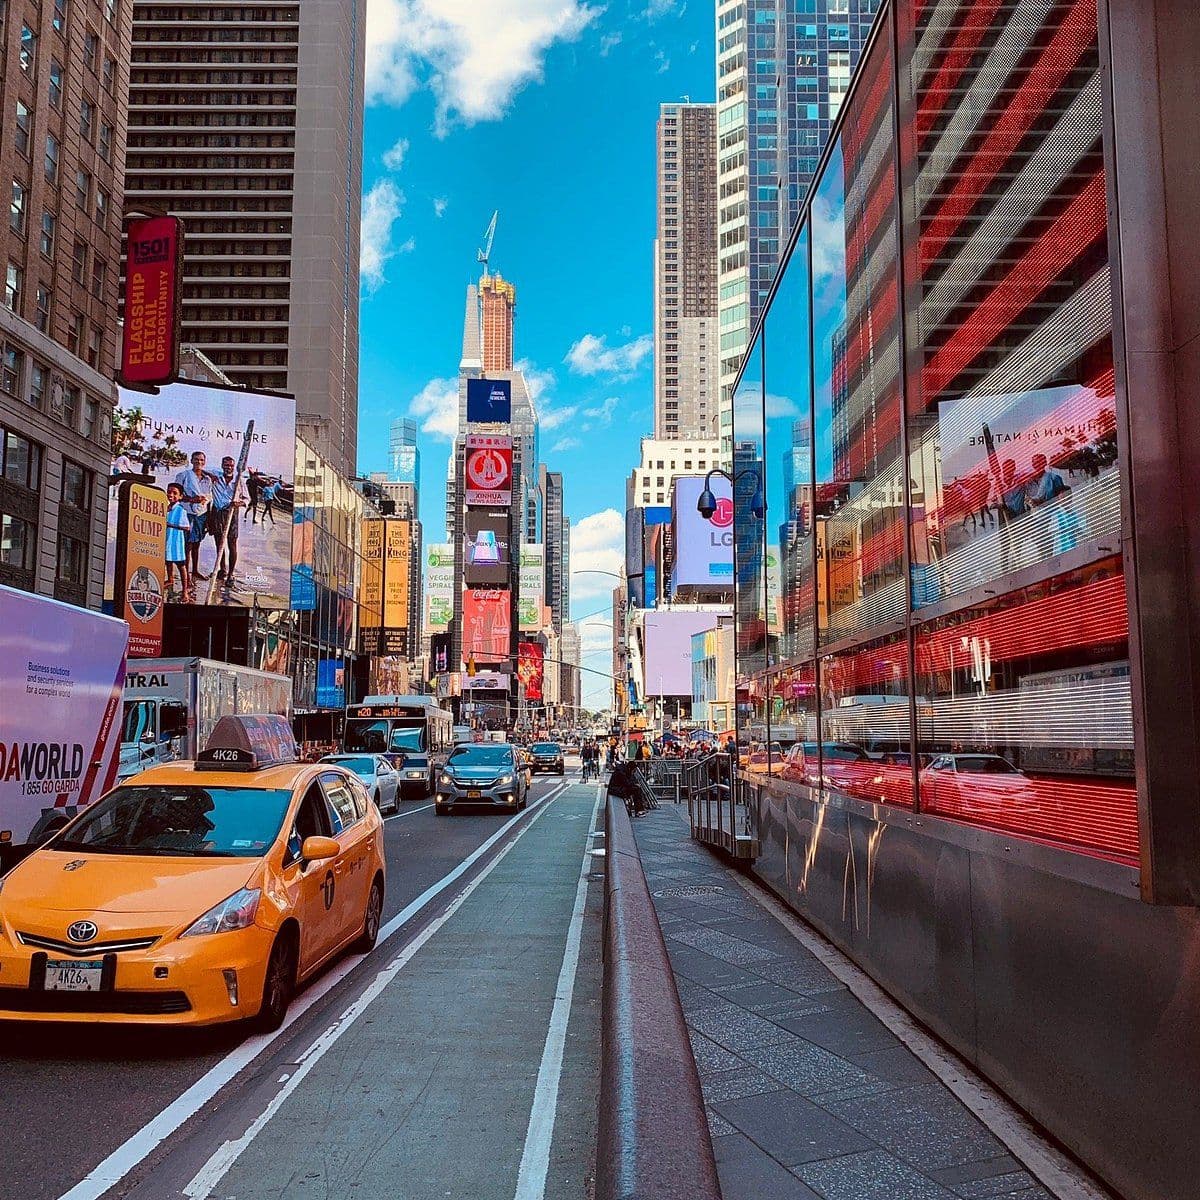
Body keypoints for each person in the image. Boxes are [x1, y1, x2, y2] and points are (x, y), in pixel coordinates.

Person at [206, 456, 250, 584]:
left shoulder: (239, 481)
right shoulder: (216, 477)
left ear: (234, 467)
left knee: (232, 544)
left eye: (231, 465)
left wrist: (238, 503)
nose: (228, 468)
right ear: (222, 465)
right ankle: (222, 570)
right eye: (226, 465)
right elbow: (201, 470)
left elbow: (247, 499)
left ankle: (231, 574)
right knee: (219, 544)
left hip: (231, 513)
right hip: (217, 512)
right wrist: (209, 475)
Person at [174, 451, 213, 582]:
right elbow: (175, 496)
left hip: (202, 514)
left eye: (201, 460)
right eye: (196, 459)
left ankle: (195, 571)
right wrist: (192, 499)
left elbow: (209, 499)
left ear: (205, 462)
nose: (199, 462)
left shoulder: (207, 480)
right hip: (187, 513)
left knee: (197, 544)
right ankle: (185, 576)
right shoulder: (183, 475)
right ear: (191, 460)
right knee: (188, 545)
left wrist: (208, 518)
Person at [164, 483, 190, 599]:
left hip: (177, 541)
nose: (171, 495)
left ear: (180, 496)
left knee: (181, 566)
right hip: (167, 539)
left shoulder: (180, 510)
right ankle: (170, 579)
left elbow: (186, 527)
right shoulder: (166, 507)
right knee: (168, 561)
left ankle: (184, 591)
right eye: (169, 492)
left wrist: (170, 525)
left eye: (175, 493)